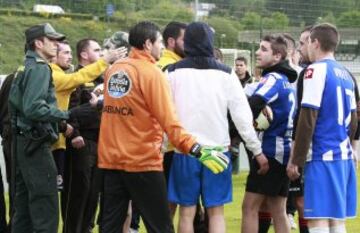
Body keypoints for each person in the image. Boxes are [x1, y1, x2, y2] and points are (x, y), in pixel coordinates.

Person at [97, 21, 229, 233]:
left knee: (110, 226)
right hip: (142, 162)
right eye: (159, 42)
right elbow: (169, 121)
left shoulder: (113, 70)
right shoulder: (152, 73)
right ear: (148, 44)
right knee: (161, 227)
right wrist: (196, 149)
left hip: (111, 162)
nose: (162, 47)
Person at [167, 22, 266, 233]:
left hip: (185, 150)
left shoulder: (172, 72)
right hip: (217, 151)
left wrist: (160, 146)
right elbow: (242, 117)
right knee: (216, 211)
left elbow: (163, 114)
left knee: (186, 211)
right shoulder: (227, 73)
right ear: (210, 43)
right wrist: (256, 150)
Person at [287, 23, 357, 233]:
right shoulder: (346, 74)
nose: (304, 47)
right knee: (336, 221)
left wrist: (296, 159)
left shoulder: (314, 71)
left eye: (306, 42)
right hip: (343, 157)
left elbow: (308, 117)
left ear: (315, 42)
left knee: (318, 221)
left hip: (321, 156)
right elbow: (354, 121)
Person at [8, 23, 73, 233]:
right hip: (34, 145)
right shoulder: (39, 68)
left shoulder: (25, 67)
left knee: (24, 209)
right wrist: (66, 115)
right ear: (38, 43)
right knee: (46, 207)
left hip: (23, 143)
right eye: (52, 41)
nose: (57, 45)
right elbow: (34, 107)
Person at [241, 34, 298, 233]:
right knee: (278, 209)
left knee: (249, 207)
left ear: (277, 57)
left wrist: (245, 123)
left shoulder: (273, 79)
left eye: (264, 49)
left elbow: (253, 103)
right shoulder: (285, 82)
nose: (258, 52)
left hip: (269, 154)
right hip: (284, 152)